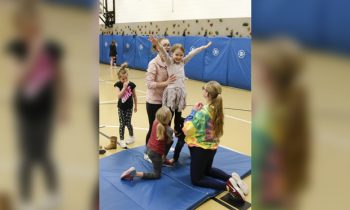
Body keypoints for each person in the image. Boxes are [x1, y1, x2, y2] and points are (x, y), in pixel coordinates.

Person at [149, 35, 212, 165]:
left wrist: (203, 47)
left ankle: (178, 135)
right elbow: (163, 52)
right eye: (176, 54)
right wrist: (157, 44)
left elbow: (192, 54)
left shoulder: (183, 62)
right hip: (171, 94)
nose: (178, 57)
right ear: (172, 54)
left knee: (179, 118)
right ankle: (165, 139)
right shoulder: (169, 62)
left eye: (180, 55)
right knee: (169, 118)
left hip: (180, 94)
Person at [182, 81, 249, 201]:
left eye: (204, 88)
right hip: (212, 147)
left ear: (207, 94)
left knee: (197, 179)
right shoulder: (217, 109)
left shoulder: (202, 112)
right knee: (207, 170)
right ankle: (232, 179)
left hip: (200, 148)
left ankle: (229, 187)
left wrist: (193, 112)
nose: (202, 90)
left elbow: (187, 130)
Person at [120, 107, 174, 180]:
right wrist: (164, 157)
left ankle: (162, 160)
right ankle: (134, 173)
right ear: (169, 118)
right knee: (157, 175)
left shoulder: (155, 121)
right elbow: (167, 145)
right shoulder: (169, 130)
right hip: (155, 154)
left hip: (148, 148)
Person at [144, 37, 176, 158]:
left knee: (166, 126)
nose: (167, 47)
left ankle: (162, 148)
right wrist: (166, 83)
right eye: (164, 45)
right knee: (153, 127)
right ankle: (147, 151)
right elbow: (149, 84)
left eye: (168, 44)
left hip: (167, 101)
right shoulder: (153, 63)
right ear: (158, 47)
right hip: (154, 101)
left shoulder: (171, 62)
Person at [111, 62, 137, 149]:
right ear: (119, 78)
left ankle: (131, 136)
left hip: (129, 107)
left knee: (128, 123)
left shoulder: (132, 85)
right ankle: (121, 140)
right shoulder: (117, 85)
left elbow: (135, 96)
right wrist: (124, 87)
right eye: (123, 79)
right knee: (122, 123)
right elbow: (119, 96)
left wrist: (136, 106)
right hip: (121, 108)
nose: (125, 80)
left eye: (126, 78)